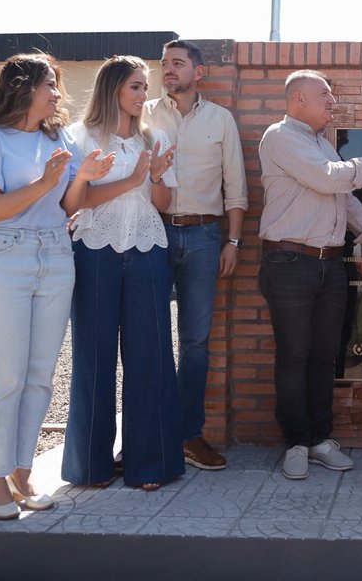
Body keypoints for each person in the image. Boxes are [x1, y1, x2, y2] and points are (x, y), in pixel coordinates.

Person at [0, 52, 112, 520]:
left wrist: (84, 178)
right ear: (23, 88)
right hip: (3, 257)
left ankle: (20, 473)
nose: (58, 94)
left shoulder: (59, 137)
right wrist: (47, 181)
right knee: (5, 376)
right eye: (50, 85)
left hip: (56, 254)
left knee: (40, 375)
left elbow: (68, 206)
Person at [258, 69, 362, 480]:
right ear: (298, 99)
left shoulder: (322, 143)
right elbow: (328, 180)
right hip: (289, 263)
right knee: (294, 355)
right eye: (324, 95)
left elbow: (346, 198)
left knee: (325, 356)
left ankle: (320, 440)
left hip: (329, 262)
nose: (332, 102)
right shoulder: (280, 137)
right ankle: (295, 443)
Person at [61, 55, 184, 491]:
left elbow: (164, 204)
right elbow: (75, 203)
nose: (143, 94)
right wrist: (131, 179)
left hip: (148, 250)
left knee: (150, 355)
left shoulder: (155, 136)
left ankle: (149, 465)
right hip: (94, 252)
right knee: (93, 358)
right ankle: (90, 468)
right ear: (113, 89)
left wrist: (155, 177)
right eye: (136, 86)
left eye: (144, 87)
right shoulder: (81, 137)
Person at [145, 39, 248, 471]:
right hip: (150, 234)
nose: (169, 70)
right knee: (145, 337)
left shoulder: (221, 119)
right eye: (165, 64)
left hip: (206, 238)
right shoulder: (144, 114)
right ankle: (144, 434)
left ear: (199, 73)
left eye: (178, 64)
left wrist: (234, 241)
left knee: (196, 343)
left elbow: (236, 186)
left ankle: (189, 434)